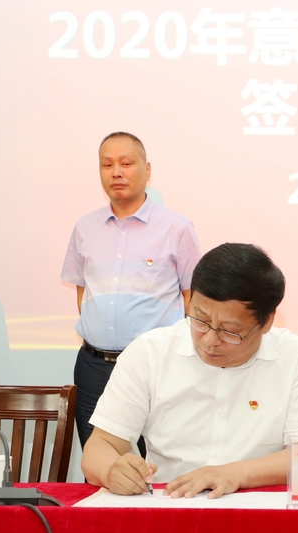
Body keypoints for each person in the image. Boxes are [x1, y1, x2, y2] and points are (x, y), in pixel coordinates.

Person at [81, 243, 298, 498]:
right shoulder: (150, 352)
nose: (210, 340)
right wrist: (111, 471)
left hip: (259, 506)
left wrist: (234, 474)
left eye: (230, 331)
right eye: (200, 320)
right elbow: (100, 447)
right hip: (172, 503)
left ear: (266, 321)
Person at [61, 132, 201, 452]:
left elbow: (192, 298)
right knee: (100, 462)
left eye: (126, 163)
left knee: (159, 462)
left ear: (147, 170)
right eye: (107, 164)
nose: (116, 172)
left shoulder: (176, 228)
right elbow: (83, 292)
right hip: (95, 366)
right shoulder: (85, 228)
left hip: (155, 366)